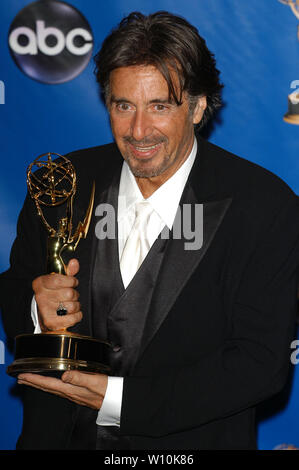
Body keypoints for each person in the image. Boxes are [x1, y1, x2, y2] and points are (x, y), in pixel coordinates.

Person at [1, 11, 299, 450]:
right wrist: (35, 307)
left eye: (160, 106)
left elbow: (262, 362)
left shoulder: (263, 206)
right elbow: (15, 287)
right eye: (124, 106)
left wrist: (121, 401)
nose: (139, 131)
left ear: (198, 107)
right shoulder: (63, 182)